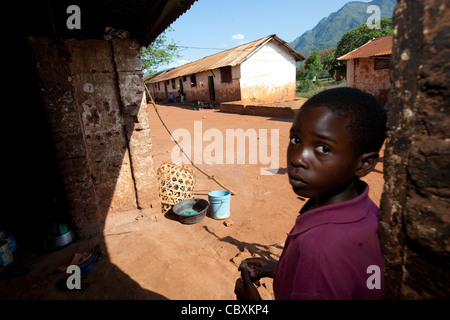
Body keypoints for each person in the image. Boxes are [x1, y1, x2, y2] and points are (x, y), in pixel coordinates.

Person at [235, 87, 386, 300]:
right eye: (296, 140)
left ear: (364, 164)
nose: (297, 158)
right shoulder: (368, 212)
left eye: (323, 148)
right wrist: (283, 269)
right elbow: (360, 280)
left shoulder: (319, 247)